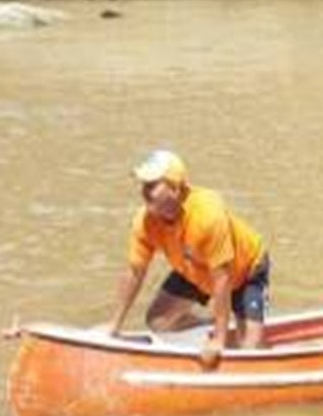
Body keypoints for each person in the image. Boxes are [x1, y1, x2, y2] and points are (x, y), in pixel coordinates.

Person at [107, 149, 270, 371]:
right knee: (159, 322)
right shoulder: (145, 222)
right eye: (143, 186)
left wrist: (219, 341)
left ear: (174, 188)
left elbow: (222, 278)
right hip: (194, 267)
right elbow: (134, 272)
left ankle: (234, 334)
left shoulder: (207, 214)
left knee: (251, 352)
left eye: (152, 186)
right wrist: (113, 327)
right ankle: (213, 325)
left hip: (244, 270)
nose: (144, 193)